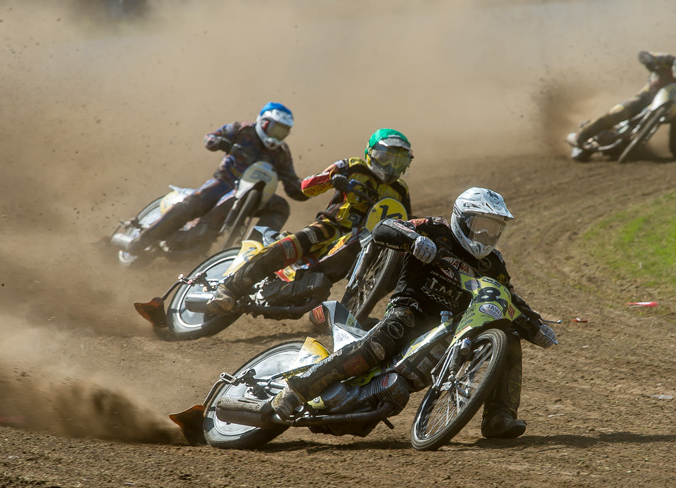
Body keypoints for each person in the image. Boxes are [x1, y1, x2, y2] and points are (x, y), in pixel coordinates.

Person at [270, 187, 557, 439]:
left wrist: (535, 325)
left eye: (493, 229)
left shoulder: (493, 263)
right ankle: (298, 389)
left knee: (508, 335)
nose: (486, 235)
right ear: (462, 219)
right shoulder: (436, 229)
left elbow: (508, 295)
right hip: (411, 309)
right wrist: (413, 240)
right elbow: (385, 227)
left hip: (453, 329)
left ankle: (498, 417)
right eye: (480, 226)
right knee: (385, 338)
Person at [205, 128, 414, 315]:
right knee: (289, 247)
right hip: (330, 228)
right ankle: (229, 288)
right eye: (386, 158)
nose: (391, 166)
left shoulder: (400, 190)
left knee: (395, 266)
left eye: (399, 161)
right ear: (371, 152)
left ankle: (352, 314)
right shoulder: (353, 166)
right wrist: (331, 180)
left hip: (363, 243)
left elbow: (403, 219)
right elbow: (306, 186)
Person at [122, 102, 307, 254]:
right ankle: (141, 240)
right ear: (263, 122)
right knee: (193, 204)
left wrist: (309, 188)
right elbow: (210, 138)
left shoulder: (282, 153)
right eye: (275, 129)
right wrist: (218, 142)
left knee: (281, 207)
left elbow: (292, 183)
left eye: (282, 132)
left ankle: (253, 251)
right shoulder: (242, 130)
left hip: (255, 197)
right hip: (225, 182)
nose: (277, 136)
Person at [567, 47, 676, 159]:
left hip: (669, 109)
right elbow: (644, 55)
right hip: (645, 97)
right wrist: (649, 61)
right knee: (620, 112)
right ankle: (582, 135)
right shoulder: (666, 60)